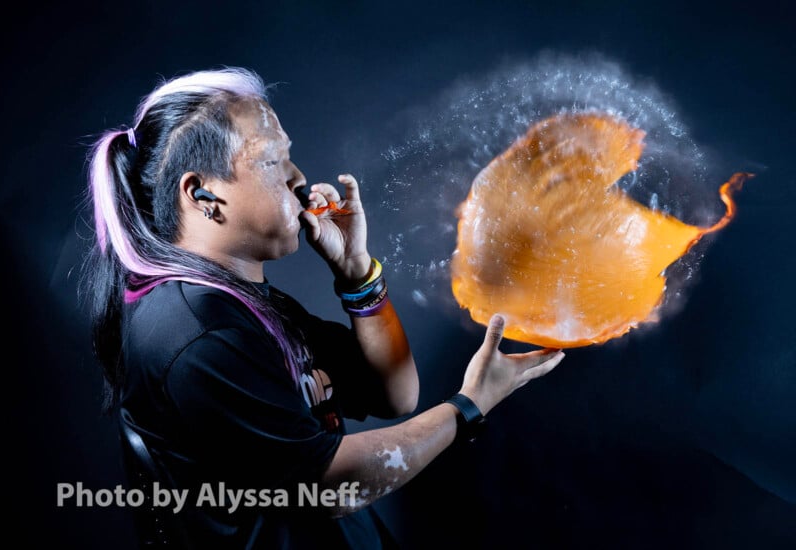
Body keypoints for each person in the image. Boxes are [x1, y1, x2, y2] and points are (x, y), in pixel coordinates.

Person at [81, 66, 565, 549]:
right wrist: (469, 406)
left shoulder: (248, 304)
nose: (298, 179)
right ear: (202, 195)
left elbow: (393, 394)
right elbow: (328, 484)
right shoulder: (196, 333)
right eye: (272, 162)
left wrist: (356, 274)